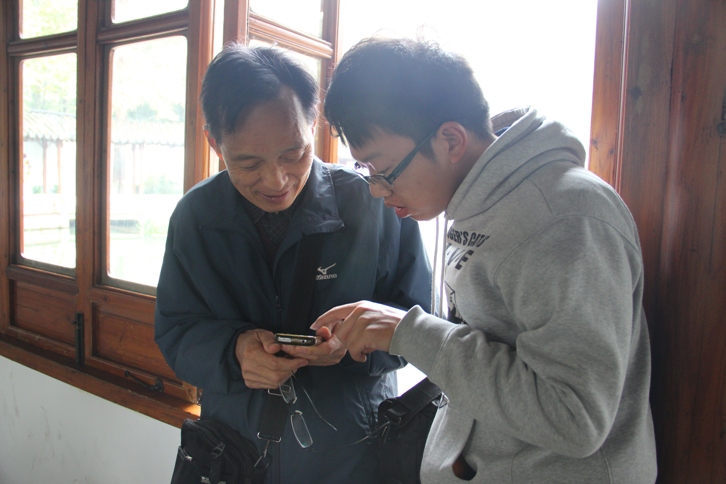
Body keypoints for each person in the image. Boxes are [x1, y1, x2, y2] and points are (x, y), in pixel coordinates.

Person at [284, 37, 658, 483]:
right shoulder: (476, 199)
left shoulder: (565, 217)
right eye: (366, 171)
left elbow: (574, 416)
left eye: (384, 171)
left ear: (450, 140)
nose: (378, 191)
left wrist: (410, 334)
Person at [154, 43, 432, 484]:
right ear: (214, 143)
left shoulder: (373, 204)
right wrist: (234, 352)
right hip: (233, 454)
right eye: (248, 163)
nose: (276, 180)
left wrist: (353, 346)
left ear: (313, 126)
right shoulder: (195, 217)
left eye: (293, 154)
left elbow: (420, 323)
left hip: (350, 454)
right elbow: (175, 329)